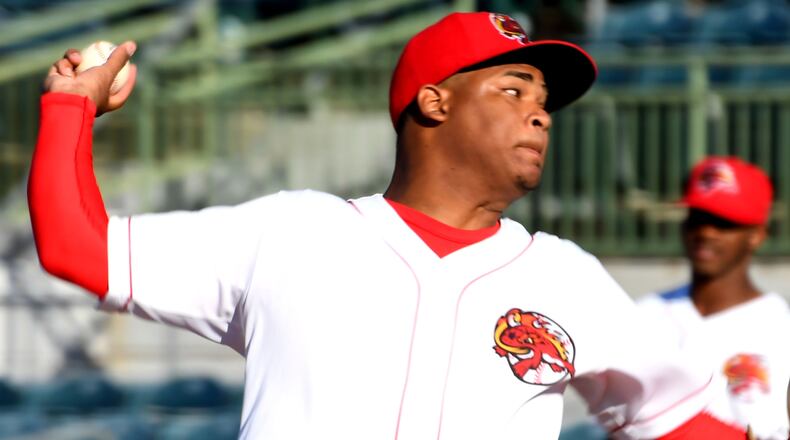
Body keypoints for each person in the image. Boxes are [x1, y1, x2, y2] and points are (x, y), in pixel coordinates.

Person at [29, 11, 747, 439]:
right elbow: (77, 246)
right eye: (513, 87)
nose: (539, 111)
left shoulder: (567, 278)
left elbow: (680, 420)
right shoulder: (290, 233)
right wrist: (69, 110)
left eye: (545, 101)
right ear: (434, 103)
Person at [639, 156, 790, 440]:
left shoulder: (782, 328)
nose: (706, 233)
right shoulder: (644, 314)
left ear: (756, 235)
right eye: (698, 219)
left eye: (723, 222)